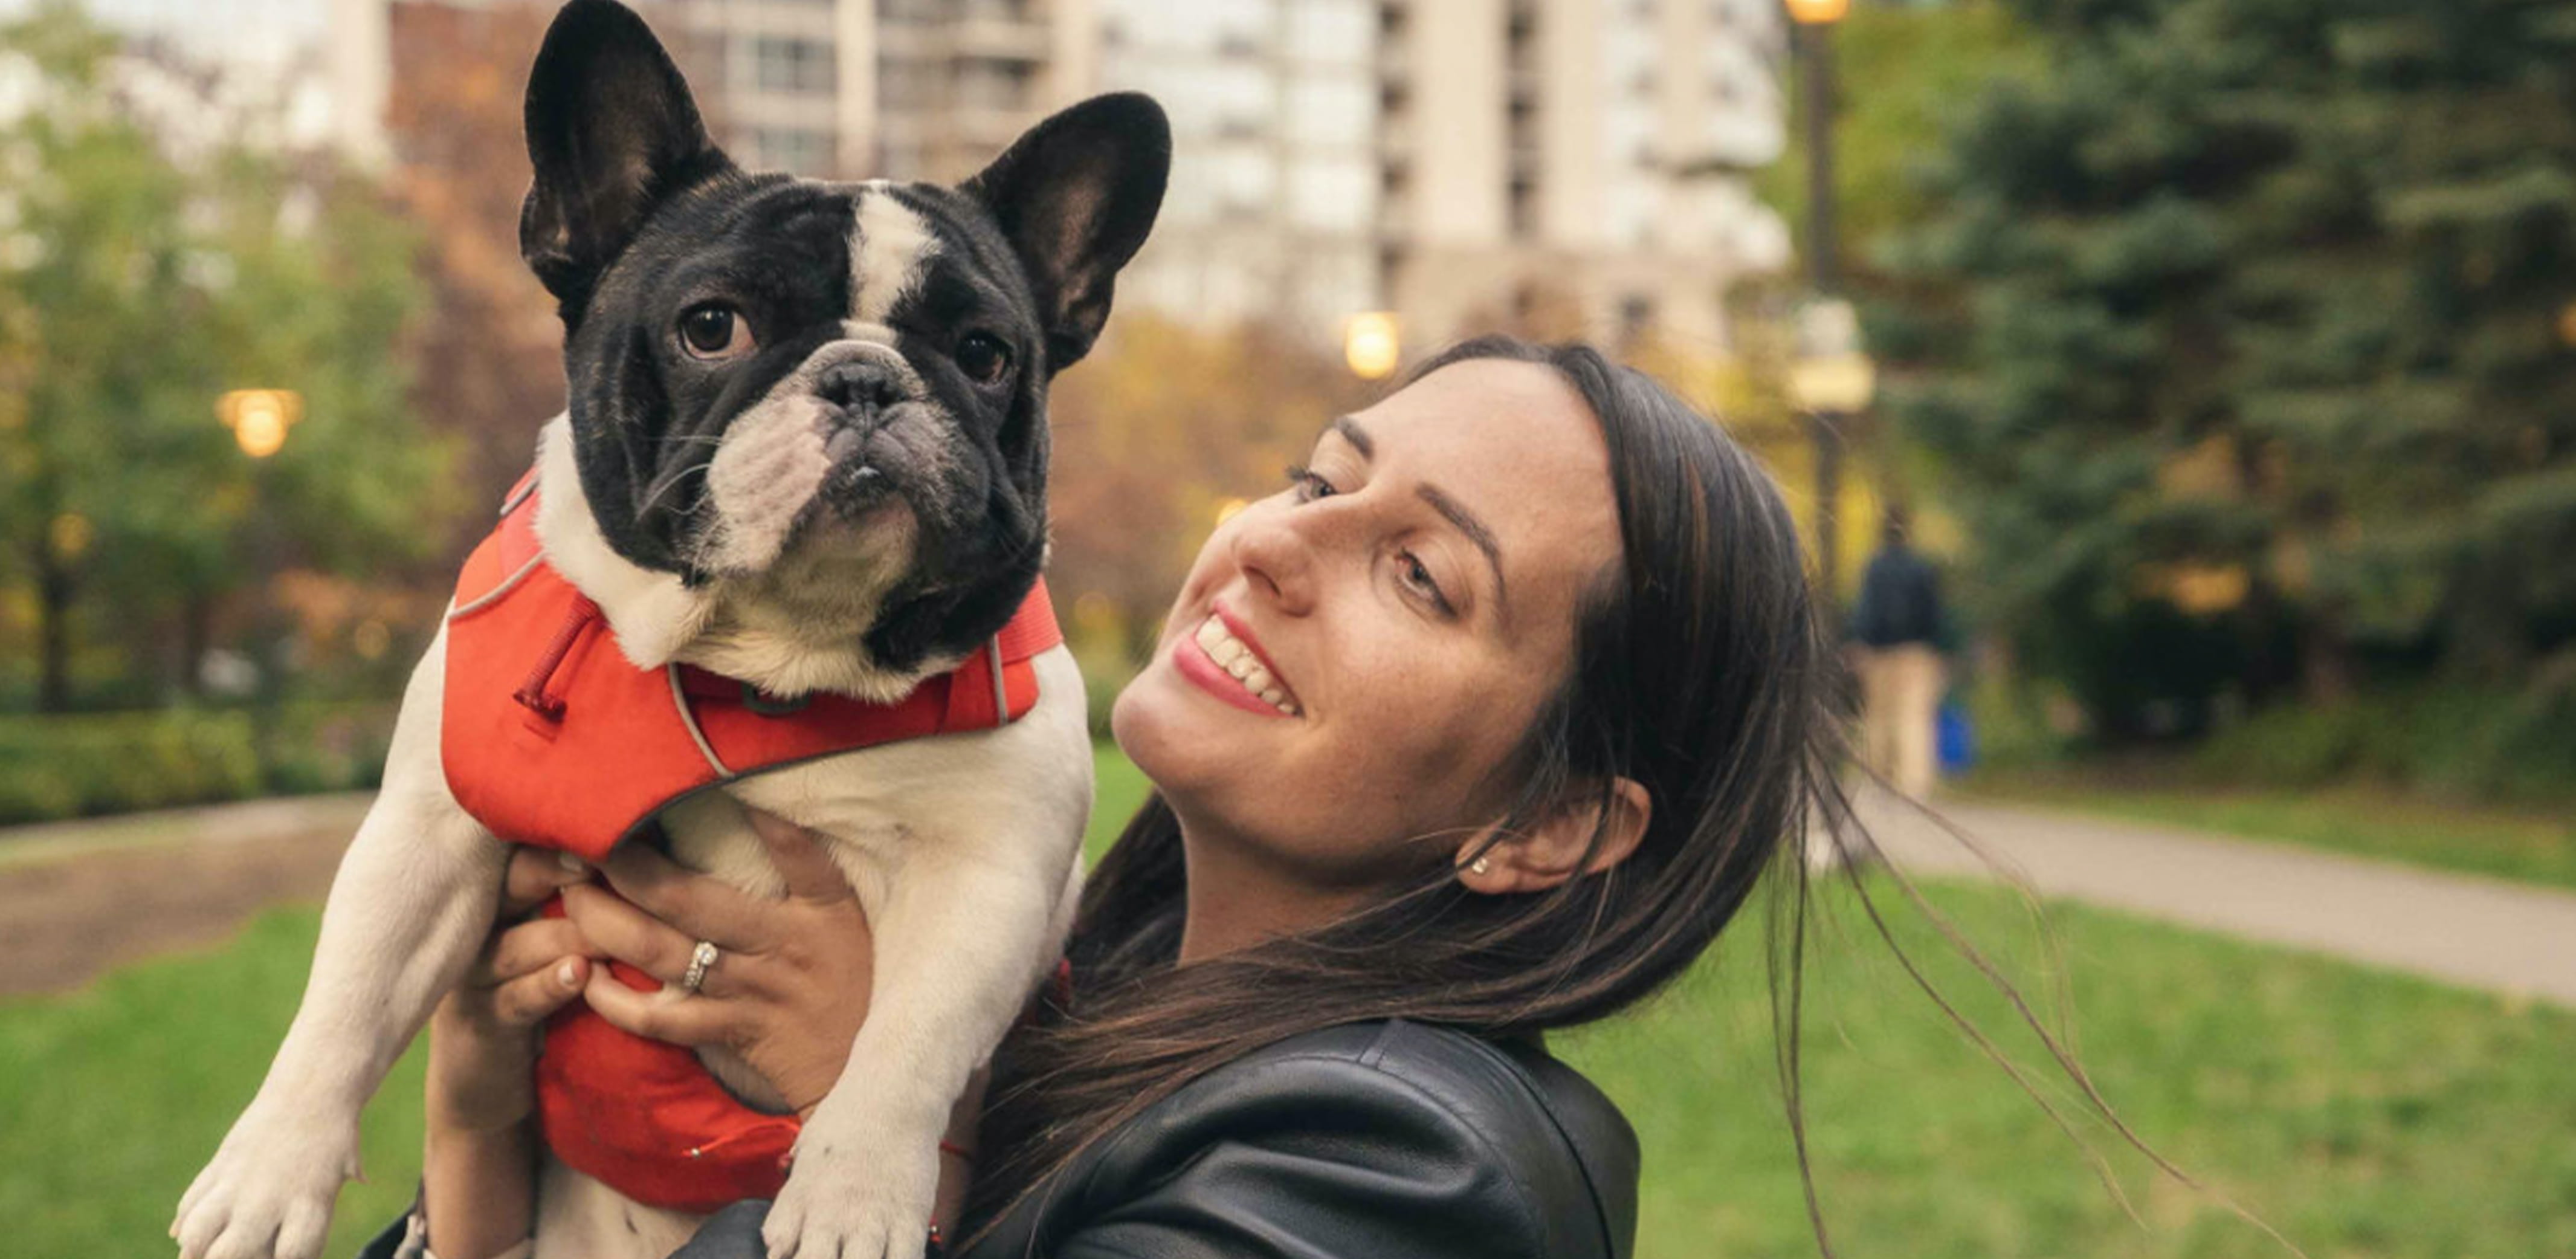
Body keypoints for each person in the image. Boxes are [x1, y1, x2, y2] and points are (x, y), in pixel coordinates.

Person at [370, 336, 1848, 1259]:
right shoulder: (1078, 986)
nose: (1272, 545)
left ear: (1551, 825)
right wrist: (477, 1132)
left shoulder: (1410, 1170)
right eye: (1316, 479)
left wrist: (877, 1106)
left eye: (1418, 574)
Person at [1848, 507, 1949, 801]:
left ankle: (1877, 780)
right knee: (1915, 718)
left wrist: (1860, 642)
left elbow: (1865, 609)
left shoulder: (1874, 568)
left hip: (1878, 652)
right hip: (1916, 651)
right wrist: (1939, 647)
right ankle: (1914, 785)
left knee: (1877, 718)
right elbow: (1934, 612)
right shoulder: (1922, 568)